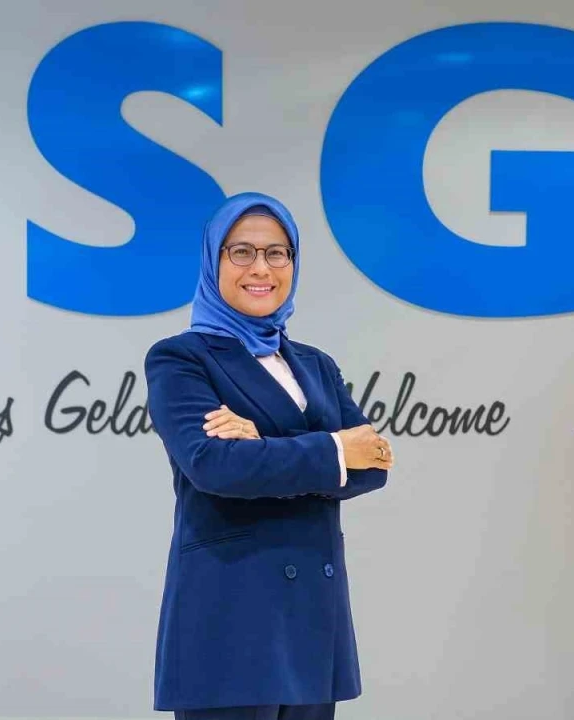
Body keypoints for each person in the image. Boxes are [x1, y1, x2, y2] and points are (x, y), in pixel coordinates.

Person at [144, 192, 394, 720]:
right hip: (231, 614)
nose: (261, 268)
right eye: (241, 252)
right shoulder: (181, 359)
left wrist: (264, 445)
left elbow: (372, 464)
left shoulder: (316, 364)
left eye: (277, 253)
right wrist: (331, 449)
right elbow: (214, 466)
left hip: (313, 618)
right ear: (213, 261)